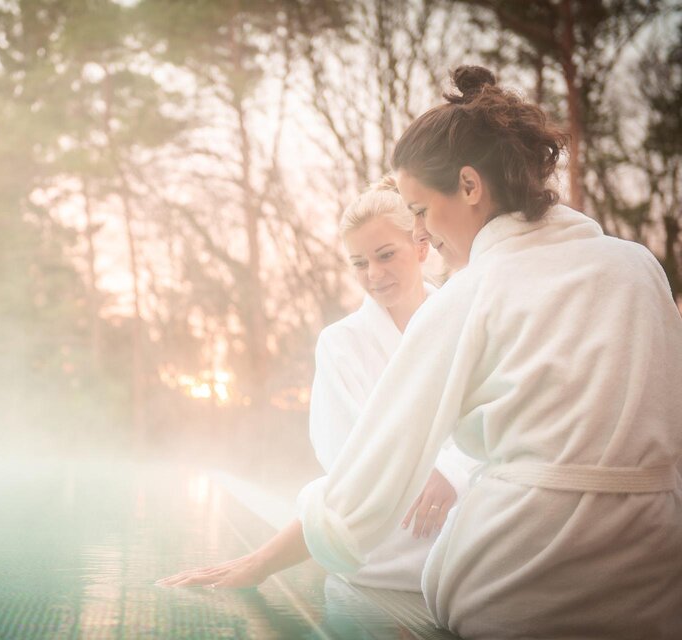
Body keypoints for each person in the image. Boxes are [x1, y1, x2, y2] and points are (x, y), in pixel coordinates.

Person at [297, 66, 682, 639]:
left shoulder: (470, 292)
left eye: (421, 211)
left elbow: (368, 478)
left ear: (471, 187)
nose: (424, 236)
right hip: (654, 584)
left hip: (516, 583)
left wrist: (320, 527)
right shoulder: (638, 267)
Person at [158, 177, 477, 592]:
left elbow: (498, 428)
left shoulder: (464, 321)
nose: (373, 275)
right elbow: (354, 468)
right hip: (380, 547)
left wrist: (452, 471)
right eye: (359, 263)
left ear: (420, 246)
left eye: (385, 255)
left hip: (460, 540)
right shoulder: (340, 345)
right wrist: (260, 563)